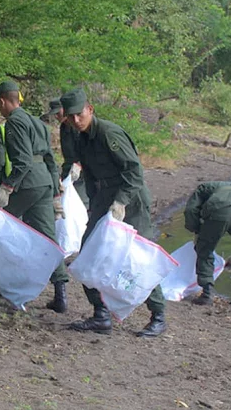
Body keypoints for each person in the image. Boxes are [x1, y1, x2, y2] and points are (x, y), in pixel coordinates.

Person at [60, 88, 166, 337]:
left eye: (79, 114)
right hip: (104, 200)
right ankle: (101, 315)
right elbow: (88, 172)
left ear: (90, 110)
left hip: (131, 200)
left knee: (141, 259)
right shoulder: (79, 137)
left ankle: (158, 316)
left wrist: (120, 202)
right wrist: (94, 203)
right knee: (88, 255)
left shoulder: (109, 133)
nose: (76, 120)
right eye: (70, 117)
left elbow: (134, 172)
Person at [0, 81, 70, 314]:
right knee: (47, 238)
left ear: (4, 101)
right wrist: (55, 191)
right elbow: (49, 159)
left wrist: (6, 187)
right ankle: (60, 293)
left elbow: (23, 161)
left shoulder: (14, 122)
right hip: (44, 183)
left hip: (25, 184)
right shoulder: (38, 123)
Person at [184, 181, 231, 309]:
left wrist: (197, 230)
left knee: (205, 250)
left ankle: (207, 294)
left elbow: (191, 210)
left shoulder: (202, 189)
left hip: (221, 210)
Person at [44, 97, 90, 209]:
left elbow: (87, 148)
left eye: (58, 113)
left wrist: (79, 164)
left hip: (82, 172)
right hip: (68, 169)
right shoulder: (64, 127)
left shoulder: (78, 126)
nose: (56, 116)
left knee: (81, 203)